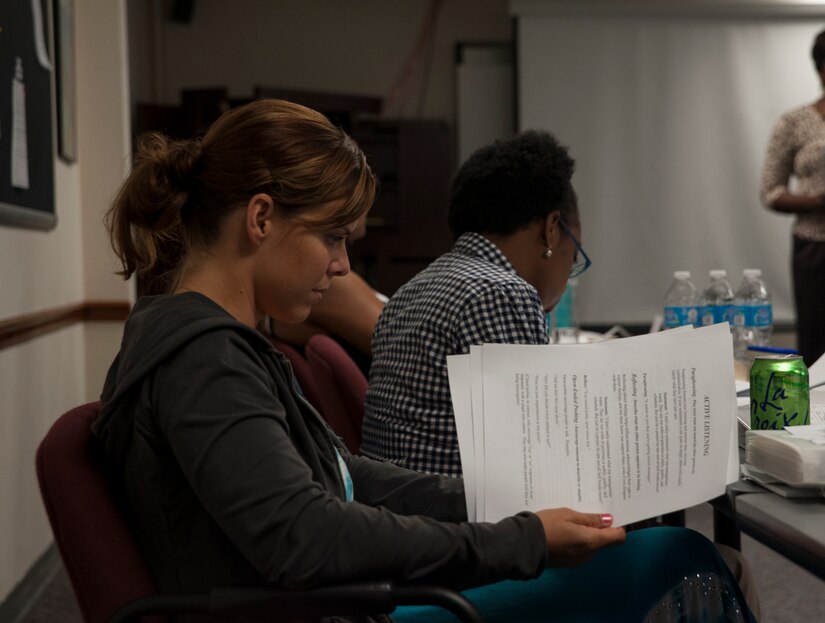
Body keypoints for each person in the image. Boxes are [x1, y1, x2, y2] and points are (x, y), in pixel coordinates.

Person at [94, 98, 756, 622]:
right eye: (330, 235)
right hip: (337, 607)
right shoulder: (205, 360)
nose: (341, 264)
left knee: (644, 554)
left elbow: (339, 475)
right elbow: (307, 536)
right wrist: (519, 539)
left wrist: (503, 502)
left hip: (339, 595)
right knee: (675, 552)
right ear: (260, 218)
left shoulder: (211, 342)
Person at [362, 130, 578, 477]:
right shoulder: (502, 293)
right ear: (552, 229)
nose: (569, 272)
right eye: (575, 255)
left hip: (398, 518)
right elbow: (535, 466)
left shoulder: (411, 289)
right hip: (459, 525)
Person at [761, 27, 825, 367]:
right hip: (815, 248)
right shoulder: (795, 122)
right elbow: (771, 190)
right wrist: (817, 202)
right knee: (815, 339)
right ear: (821, 68)